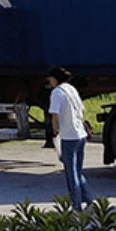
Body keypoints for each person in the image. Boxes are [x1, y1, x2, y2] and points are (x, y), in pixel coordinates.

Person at [45, 66, 89, 210]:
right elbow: (82, 109)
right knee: (78, 171)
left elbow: (55, 114)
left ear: (55, 78)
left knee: (71, 174)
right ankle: (89, 201)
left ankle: (77, 206)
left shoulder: (57, 92)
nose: (49, 81)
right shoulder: (71, 89)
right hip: (81, 134)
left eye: (50, 79)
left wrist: (55, 130)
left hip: (68, 136)